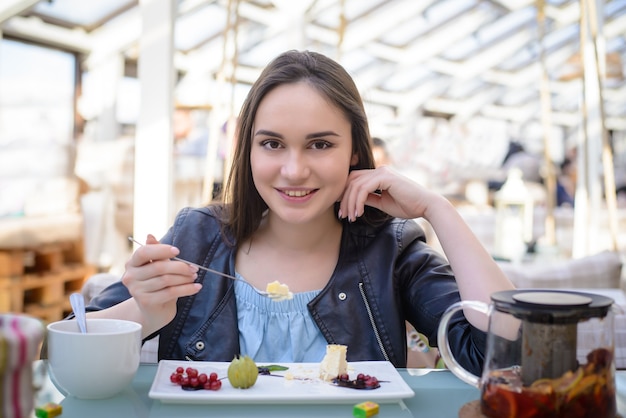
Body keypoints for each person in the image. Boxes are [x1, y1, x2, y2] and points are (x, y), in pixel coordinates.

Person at [84, 50, 514, 375]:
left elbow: (503, 358)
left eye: (321, 144)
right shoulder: (196, 237)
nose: (294, 170)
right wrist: (141, 313)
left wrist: (437, 209)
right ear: (247, 151)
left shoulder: (391, 250)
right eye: (272, 144)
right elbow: (63, 349)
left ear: (355, 153)